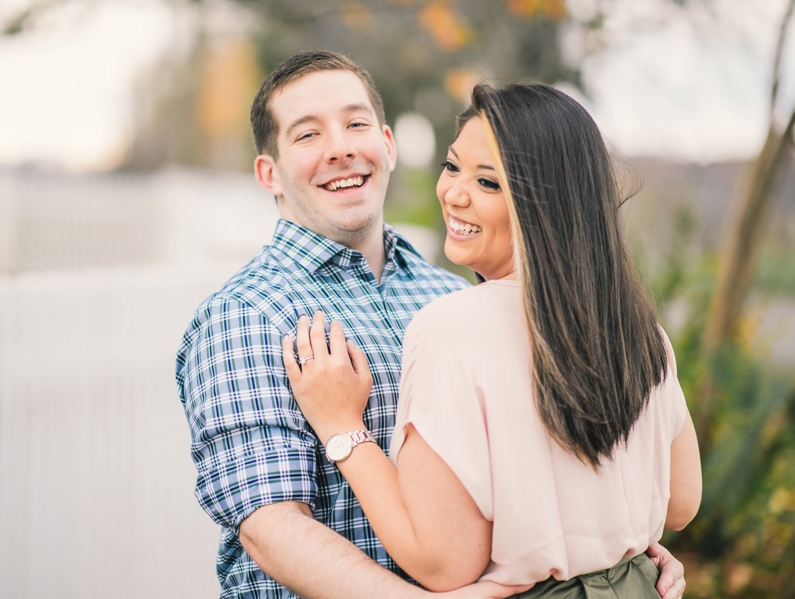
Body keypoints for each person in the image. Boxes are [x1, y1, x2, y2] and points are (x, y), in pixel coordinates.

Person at [176, 51, 687, 599]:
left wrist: (610, 550)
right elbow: (272, 532)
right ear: (269, 174)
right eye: (307, 135)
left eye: (355, 124)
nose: (341, 147)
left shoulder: (449, 292)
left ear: (388, 145)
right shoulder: (245, 315)